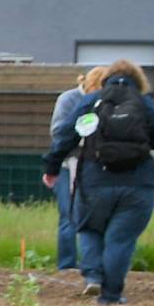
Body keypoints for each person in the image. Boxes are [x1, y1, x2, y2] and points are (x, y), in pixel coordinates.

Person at [42, 59, 154, 305]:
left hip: (95, 181)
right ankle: (111, 295)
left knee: (90, 228)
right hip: (138, 185)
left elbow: (65, 135)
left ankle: (93, 276)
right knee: (121, 239)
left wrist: (52, 167)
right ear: (140, 81)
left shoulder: (90, 102)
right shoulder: (146, 105)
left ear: (106, 78)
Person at [45, 65, 106, 275]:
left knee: (93, 217)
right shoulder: (68, 99)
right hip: (67, 165)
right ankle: (67, 264)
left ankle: (92, 264)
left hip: (94, 166)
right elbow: (58, 131)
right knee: (68, 215)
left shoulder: (105, 101)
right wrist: (83, 137)